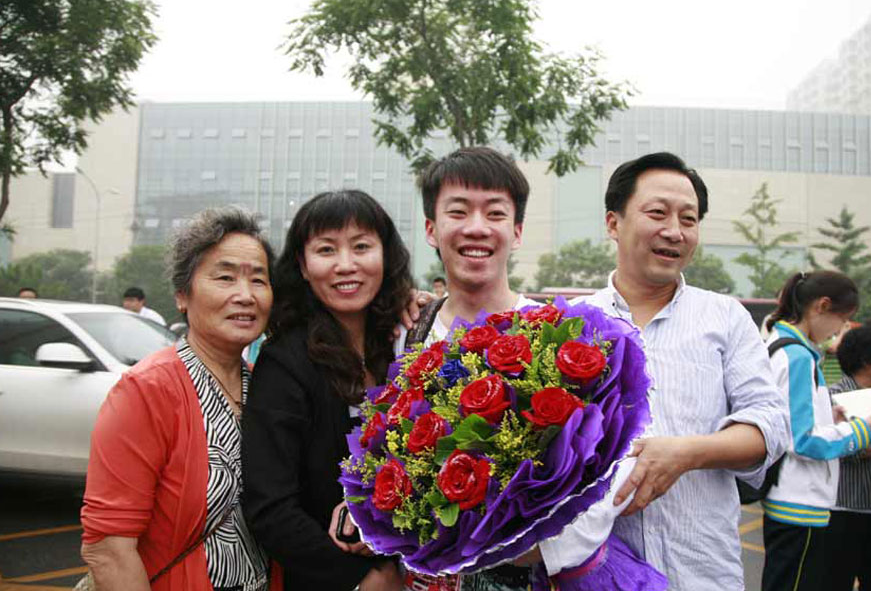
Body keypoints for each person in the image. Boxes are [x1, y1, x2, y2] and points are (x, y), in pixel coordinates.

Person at [394, 147, 638, 591]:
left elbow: (610, 473)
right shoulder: (408, 336)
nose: (476, 228)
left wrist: (523, 543)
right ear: (432, 228)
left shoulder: (562, 340)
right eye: (458, 211)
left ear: (517, 230)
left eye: (495, 213)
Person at [576, 152, 790, 591]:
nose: (674, 231)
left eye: (688, 219)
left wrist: (687, 453)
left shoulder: (725, 318)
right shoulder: (572, 324)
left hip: (702, 572)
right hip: (593, 574)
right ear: (613, 224)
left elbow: (769, 426)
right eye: (657, 213)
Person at [80, 207, 277, 591]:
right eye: (224, 277)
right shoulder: (147, 391)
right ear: (182, 295)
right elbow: (108, 549)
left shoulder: (263, 387)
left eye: (259, 280)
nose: (245, 295)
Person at [242, 189, 410, 591]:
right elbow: (270, 506)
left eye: (362, 246)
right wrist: (357, 577)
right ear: (302, 264)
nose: (345, 265)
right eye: (326, 250)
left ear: (385, 256)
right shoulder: (286, 363)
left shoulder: (405, 345)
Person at [761, 272, 871, 591]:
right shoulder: (797, 357)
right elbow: (805, 441)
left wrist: (831, 418)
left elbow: (792, 424)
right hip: (798, 502)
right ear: (822, 307)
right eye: (844, 320)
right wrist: (867, 427)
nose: (840, 331)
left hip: (791, 497)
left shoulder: (786, 349)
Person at [825, 323, 871, 590]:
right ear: (868, 360)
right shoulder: (834, 398)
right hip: (844, 510)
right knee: (836, 582)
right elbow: (839, 446)